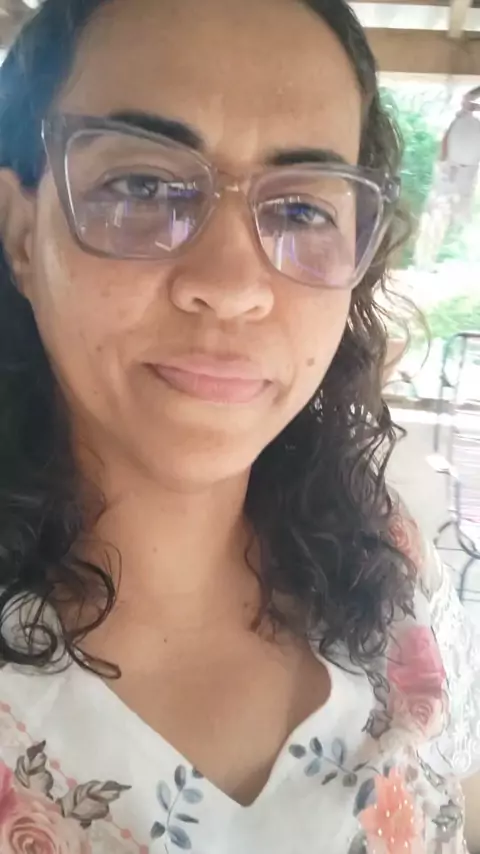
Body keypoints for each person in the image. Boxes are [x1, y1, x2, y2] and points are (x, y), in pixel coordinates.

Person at [0, 0, 478, 851]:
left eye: (302, 211)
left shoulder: (399, 567)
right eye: (142, 186)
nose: (232, 285)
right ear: (22, 232)